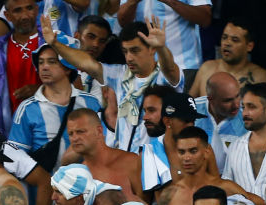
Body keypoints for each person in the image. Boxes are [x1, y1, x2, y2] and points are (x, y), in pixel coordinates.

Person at [41, 18, 181, 152]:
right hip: (128, 162)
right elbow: (87, 63)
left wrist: (162, 48)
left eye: (135, 50)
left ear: (152, 49)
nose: (129, 57)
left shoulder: (165, 77)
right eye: (125, 51)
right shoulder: (120, 75)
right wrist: (55, 43)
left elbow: (170, 69)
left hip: (159, 162)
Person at [155, 125, 262, 205]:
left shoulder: (225, 188)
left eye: (193, 151)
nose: (186, 157)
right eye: (182, 152)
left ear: (206, 151)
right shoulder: (170, 194)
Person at [7, 40, 102, 173]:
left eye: (52, 62)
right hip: (46, 191)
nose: (44, 67)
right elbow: (14, 157)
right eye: (41, 62)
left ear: (68, 68)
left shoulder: (92, 103)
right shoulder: (27, 109)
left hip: (87, 189)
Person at [0, 0, 42, 136]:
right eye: (18, 10)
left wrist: (40, 90)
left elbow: (73, 87)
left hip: (49, 131)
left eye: (29, 8)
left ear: (37, 10)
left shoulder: (53, 42)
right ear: (7, 16)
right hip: (13, 135)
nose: (25, 15)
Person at [115, 0, 211, 75]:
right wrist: (132, 1)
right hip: (144, 68)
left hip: (183, 67)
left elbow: (205, 19)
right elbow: (124, 23)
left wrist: (168, 0)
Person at [66, 108, 143, 200]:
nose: (75, 138)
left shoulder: (131, 162)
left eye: (80, 132)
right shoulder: (76, 175)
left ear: (99, 131)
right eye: (71, 134)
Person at [190, 19, 266, 97]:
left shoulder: (261, 77)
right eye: (224, 37)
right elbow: (188, 105)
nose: (227, 43)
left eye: (235, 40)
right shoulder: (206, 68)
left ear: (249, 46)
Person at [192, 71, 248, 173]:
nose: (236, 105)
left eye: (237, 96)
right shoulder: (191, 111)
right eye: (228, 100)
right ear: (211, 99)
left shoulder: (247, 117)